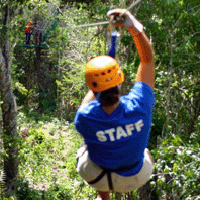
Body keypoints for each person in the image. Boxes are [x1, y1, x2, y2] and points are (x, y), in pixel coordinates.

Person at [74, 8, 155, 200]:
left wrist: (99, 82)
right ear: (119, 80)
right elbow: (147, 61)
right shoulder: (140, 104)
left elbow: (87, 103)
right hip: (136, 177)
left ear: (92, 88)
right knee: (144, 152)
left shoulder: (85, 117)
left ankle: (105, 198)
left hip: (99, 178)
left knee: (83, 151)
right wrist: (133, 26)